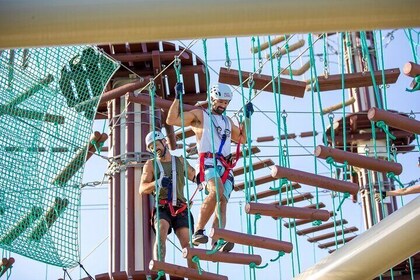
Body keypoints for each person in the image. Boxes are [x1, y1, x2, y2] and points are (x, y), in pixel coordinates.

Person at [167, 82, 254, 252]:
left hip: (224, 166)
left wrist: (248, 118)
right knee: (216, 192)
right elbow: (172, 120)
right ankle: (198, 230)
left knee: (222, 203)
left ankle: (217, 239)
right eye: (220, 101)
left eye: (226, 103)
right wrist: (177, 98)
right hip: (208, 163)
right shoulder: (201, 115)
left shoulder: (227, 121)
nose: (223, 105)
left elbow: (243, 139)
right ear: (213, 99)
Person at [139, 130, 197, 268]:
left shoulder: (180, 161)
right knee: (161, 234)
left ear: (164, 142)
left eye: (156, 145)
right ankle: (160, 268)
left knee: (188, 246)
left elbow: (195, 177)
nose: (155, 149)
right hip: (163, 207)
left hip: (181, 207)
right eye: (151, 148)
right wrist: (157, 183)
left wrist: (206, 182)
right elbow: (142, 188)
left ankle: (194, 276)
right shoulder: (151, 164)